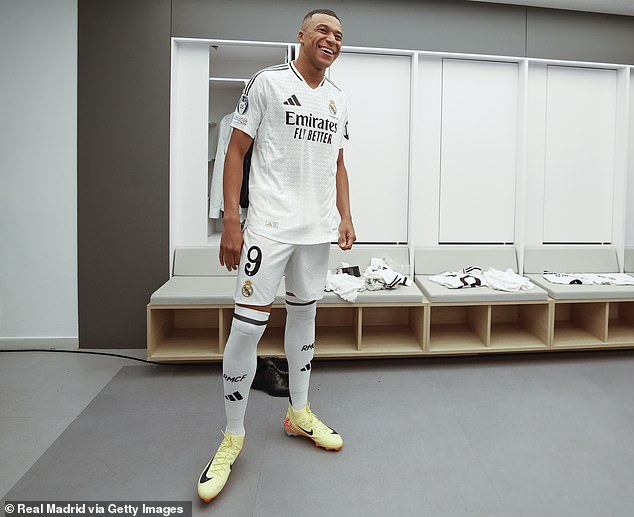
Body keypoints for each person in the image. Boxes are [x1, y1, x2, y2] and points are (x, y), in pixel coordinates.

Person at [197, 8, 355, 502]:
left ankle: (298, 414)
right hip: (267, 228)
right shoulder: (267, 83)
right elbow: (236, 153)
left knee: (305, 320)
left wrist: (346, 216)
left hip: (316, 232)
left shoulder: (337, 99)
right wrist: (230, 220)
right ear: (302, 36)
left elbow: (339, 164)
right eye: (323, 31)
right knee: (247, 327)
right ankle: (232, 435)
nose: (332, 39)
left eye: (339, 35)